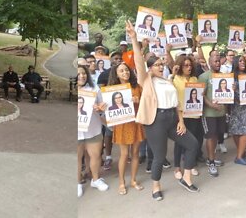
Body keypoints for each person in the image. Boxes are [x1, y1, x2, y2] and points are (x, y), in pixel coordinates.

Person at [127, 20, 200, 200]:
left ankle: (187, 178)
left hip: (173, 119)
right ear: (150, 68)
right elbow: (138, 61)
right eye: (157, 65)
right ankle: (156, 186)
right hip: (156, 121)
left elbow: (176, 104)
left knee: (193, 145)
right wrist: (134, 39)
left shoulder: (168, 82)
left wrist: (181, 122)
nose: (161, 66)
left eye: (162, 63)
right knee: (159, 156)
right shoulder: (146, 81)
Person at [107, 62, 145, 195]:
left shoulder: (137, 87)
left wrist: (137, 101)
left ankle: (133, 180)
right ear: (116, 74)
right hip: (122, 125)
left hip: (135, 123)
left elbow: (145, 104)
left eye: (127, 70)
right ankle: (122, 182)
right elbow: (108, 107)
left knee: (135, 154)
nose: (125, 73)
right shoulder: (112, 89)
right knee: (124, 155)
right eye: (121, 71)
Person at [77, 65, 109, 197]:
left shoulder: (94, 89)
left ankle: (95, 180)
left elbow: (103, 107)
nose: (82, 76)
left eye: (84, 73)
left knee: (95, 155)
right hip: (77, 131)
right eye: (78, 74)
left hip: (93, 129)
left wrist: (100, 108)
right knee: (77, 158)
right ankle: (78, 182)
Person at [171, 56, 204, 179]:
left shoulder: (195, 78)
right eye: (185, 65)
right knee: (180, 141)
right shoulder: (175, 79)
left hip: (194, 114)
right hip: (180, 115)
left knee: (193, 141)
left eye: (190, 65)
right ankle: (177, 168)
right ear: (180, 66)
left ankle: (190, 165)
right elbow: (169, 90)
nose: (189, 67)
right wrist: (172, 75)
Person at [199, 53, 226, 177]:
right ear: (210, 63)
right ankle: (210, 162)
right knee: (210, 136)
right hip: (209, 113)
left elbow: (227, 93)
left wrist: (233, 88)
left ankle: (213, 158)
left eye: (219, 61)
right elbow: (201, 95)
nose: (217, 63)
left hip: (221, 112)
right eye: (215, 61)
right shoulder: (204, 76)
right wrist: (211, 105)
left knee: (216, 136)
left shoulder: (225, 76)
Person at [229, 55, 246, 165]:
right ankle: (241, 153)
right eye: (240, 61)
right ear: (235, 63)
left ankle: (239, 156)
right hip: (235, 107)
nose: (243, 63)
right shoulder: (231, 77)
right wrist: (232, 90)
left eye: (244, 61)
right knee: (236, 130)